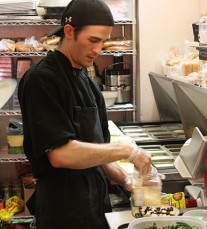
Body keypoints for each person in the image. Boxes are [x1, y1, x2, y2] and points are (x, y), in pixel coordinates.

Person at [18, 0, 152, 228]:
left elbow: (98, 154)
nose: (99, 50)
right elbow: (60, 155)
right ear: (69, 31)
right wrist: (128, 150)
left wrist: (128, 180)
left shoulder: (88, 84)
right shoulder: (42, 80)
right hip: (62, 213)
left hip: (95, 209)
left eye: (103, 41)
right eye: (93, 40)